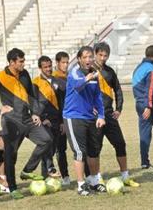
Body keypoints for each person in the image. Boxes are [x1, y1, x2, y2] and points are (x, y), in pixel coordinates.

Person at [0, 48, 52, 199]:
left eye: (23, 60)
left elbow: (32, 95)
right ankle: (12, 188)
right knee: (10, 154)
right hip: (11, 121)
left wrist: (35, 113)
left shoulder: (25, 73)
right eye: (20, 61)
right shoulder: (0, 77)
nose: (23, 63)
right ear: (12, 62)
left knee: (46, 140)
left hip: (27, 118)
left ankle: (27, 170)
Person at [88, 42, 139, 187]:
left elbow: (118, 90)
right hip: (95, 117)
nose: (103, 58)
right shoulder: (88, 71)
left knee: (120, 144)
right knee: (95, 148)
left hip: (109, 115)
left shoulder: (110, 72)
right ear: (95, 53)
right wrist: (90, 109)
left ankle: (125, 176)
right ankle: (96, 178)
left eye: (106, 55)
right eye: (100, 55)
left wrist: (119, 108)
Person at [63, 46, 106, 196]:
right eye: (85, 57)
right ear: (80, 59)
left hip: (90, 117)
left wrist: (101, 115)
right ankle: (81, 185)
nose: (88, 60)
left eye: (90, 57)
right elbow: (77, 86)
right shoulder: (74, 72)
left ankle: (94, 181)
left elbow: (98, 98)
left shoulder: (95, 75)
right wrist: (87, 78)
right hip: (73, 117)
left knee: (94, 151)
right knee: (80, 152)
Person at [32, 56, 63, 179]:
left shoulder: (57, 81)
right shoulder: (35, 83)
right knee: (46, 144)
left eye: (50, 66)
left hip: (57, 121)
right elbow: (33, 102)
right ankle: (51, 168)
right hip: (44, 121)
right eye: (45, 67)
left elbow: (61, 103)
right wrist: (42, 118)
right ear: (40, 68)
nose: (48, 69)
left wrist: (62, 122)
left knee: (51, 149)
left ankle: (44, 178)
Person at [53, 51, 70, 185]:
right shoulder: (54, 79)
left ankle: (88, 174)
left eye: (67, 62)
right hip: (61, 120)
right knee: (61, 148)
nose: (65, 65)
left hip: (74, 117)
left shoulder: (70, 77)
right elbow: (56, 103)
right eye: (63, 62)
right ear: (57, 63)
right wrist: (61, 121)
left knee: (80, 148)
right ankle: (65, 176)